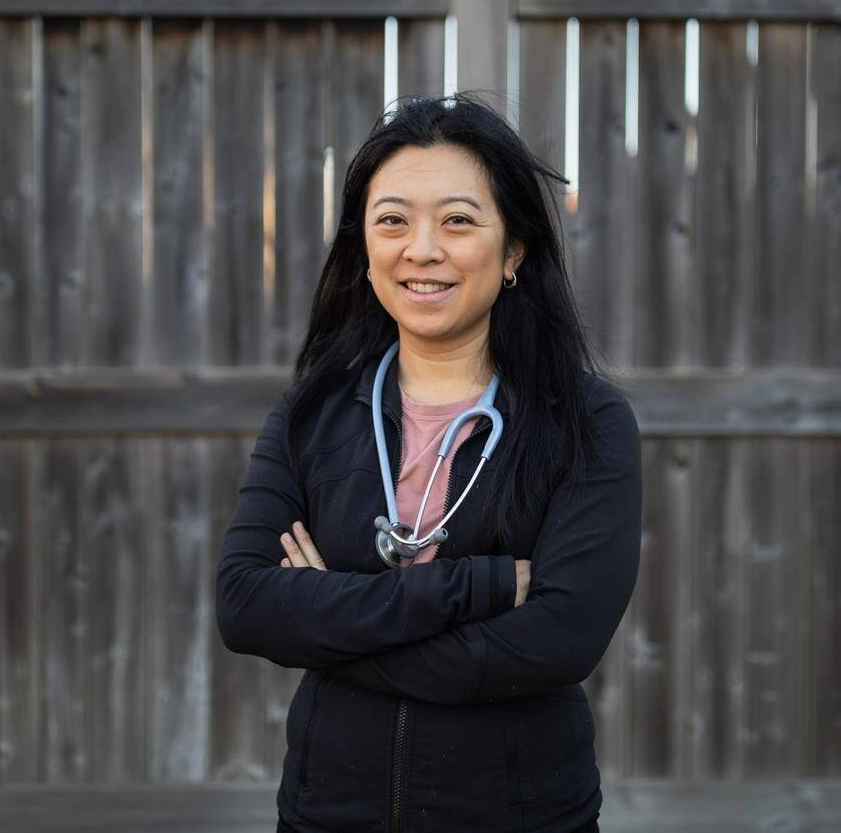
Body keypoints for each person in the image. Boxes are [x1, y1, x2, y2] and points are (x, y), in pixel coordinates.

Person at [215, 92, 643, 833]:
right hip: (327, 816)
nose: (422, 248)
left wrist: (329, 619)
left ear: (513, 251)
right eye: (392, 220)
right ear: (365, 248)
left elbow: (559, 641)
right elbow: (246, 605)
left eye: (457, 220)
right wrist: (473, 585)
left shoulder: (588, 422)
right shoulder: (312, 413)